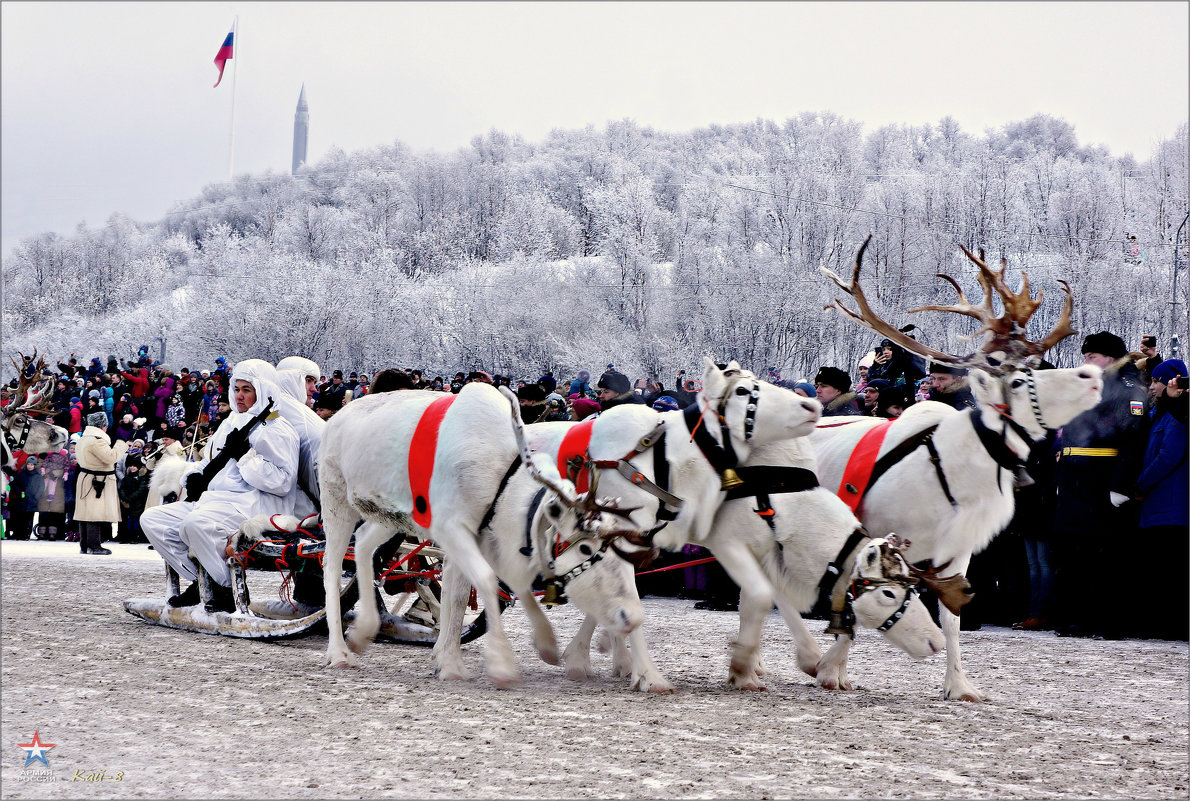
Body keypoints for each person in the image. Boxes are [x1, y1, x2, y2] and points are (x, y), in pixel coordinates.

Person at [141, 360, 300, 613]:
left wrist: (246, 456)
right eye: (236, 388)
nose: (239, 395)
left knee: (195, 524)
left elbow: (282, 482)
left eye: (247, 389)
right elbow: (209, 461)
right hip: (214, 501)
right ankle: (201, 580)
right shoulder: (230, 423)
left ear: (264, 390)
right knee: (154, 520)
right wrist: (192, 476)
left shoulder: (278, 430)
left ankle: (226, 589)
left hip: (252, 504)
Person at [1051, 331, 1150, 638]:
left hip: (1100, 476)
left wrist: (1119, 485)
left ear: (1110, 357)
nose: (1086, 361)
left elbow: (1133, 439)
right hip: (1075, 476)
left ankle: (1105, 620)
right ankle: (1074, 617)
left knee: (1102, 552)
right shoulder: (1092, 384)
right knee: (1072, 549)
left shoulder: (1128, 386)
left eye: (1092, 356)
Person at [1132, 363, 1188, 639]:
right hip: (1157, 507)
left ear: (1171, 384)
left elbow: (1168, 456)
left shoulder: (1177, 417)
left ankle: (1172, 626)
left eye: (1156, 381)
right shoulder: (1158, 414)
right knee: (1159, 569)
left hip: (1172, 508)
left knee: (1171, 570)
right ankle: (1160, 624)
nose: (1151, 386)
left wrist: (1140, 484)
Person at [275, 364, 327, 521]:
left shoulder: (291, 410)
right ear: (288, 379)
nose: (313, 389)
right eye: (308, 381)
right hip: (300, 511)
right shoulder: (297, 415)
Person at [74, 411, 129, 555]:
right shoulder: (96, 440)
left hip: (87, 477)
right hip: (98, 480)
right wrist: (121, 444)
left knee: (85, 512)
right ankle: (94, 545)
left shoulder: (84, 438)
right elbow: (111, 457)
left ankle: (85, 545)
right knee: (94, 513)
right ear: (102, 426)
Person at [7, 456, 44, 540]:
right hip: (21, 501)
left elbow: (41, 488)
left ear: (35, 465)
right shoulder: (21, 475)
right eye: (28, 464)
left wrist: (36, 497)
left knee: (29, 518)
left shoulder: (38, 476)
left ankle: (27, 533)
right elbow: (15, 485)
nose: (30, 466)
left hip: (32, 501)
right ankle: (19, 534)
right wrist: (20, 492)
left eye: (32, 464)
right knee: (20, 518)